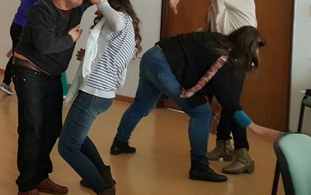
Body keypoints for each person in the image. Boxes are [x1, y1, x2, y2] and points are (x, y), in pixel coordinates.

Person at [12, 0, 153, 195]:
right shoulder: (40, 11)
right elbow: (45, 45)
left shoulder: (77, 4)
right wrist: (70, 38)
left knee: (52, 129)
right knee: (32, 130)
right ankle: (27, 187)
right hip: (30, 73)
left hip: (52, 75)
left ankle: (40, 176)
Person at [111, 26, 282, 183]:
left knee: (140, 106)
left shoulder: (217, 40)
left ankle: (119, 143)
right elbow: (228, 100)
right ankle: (199, 166)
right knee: (201, 112)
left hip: (151, 56)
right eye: (256, 48)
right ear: (247, 46)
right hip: (164, 65)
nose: (256, 52)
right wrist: (252, 126)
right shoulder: (223, 57)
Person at [57, 0, 141, 195]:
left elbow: (115, 20)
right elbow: (109, 56)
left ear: (115, 5)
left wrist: (100, 1)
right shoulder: (124, 29)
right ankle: (104, 176)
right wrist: (88, 57)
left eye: (102, 7)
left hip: (94, 94)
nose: (97, 11)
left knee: (67, 147)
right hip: (98, 93)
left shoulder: (121, 19)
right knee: (77, 136)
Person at [168, 0, 258, 174]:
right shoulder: (218, 3)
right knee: (222, 100)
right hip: (225, 55)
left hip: (237, 55)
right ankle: (223, 145)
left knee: (230, 102)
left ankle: (243, 154)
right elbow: (209, 29)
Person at [0, 0, 48, 95]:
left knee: (17, 55)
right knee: (19, 57)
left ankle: (8, 82)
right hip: (22, 28)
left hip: (16, 26)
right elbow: (40, 14)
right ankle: (7, 82)